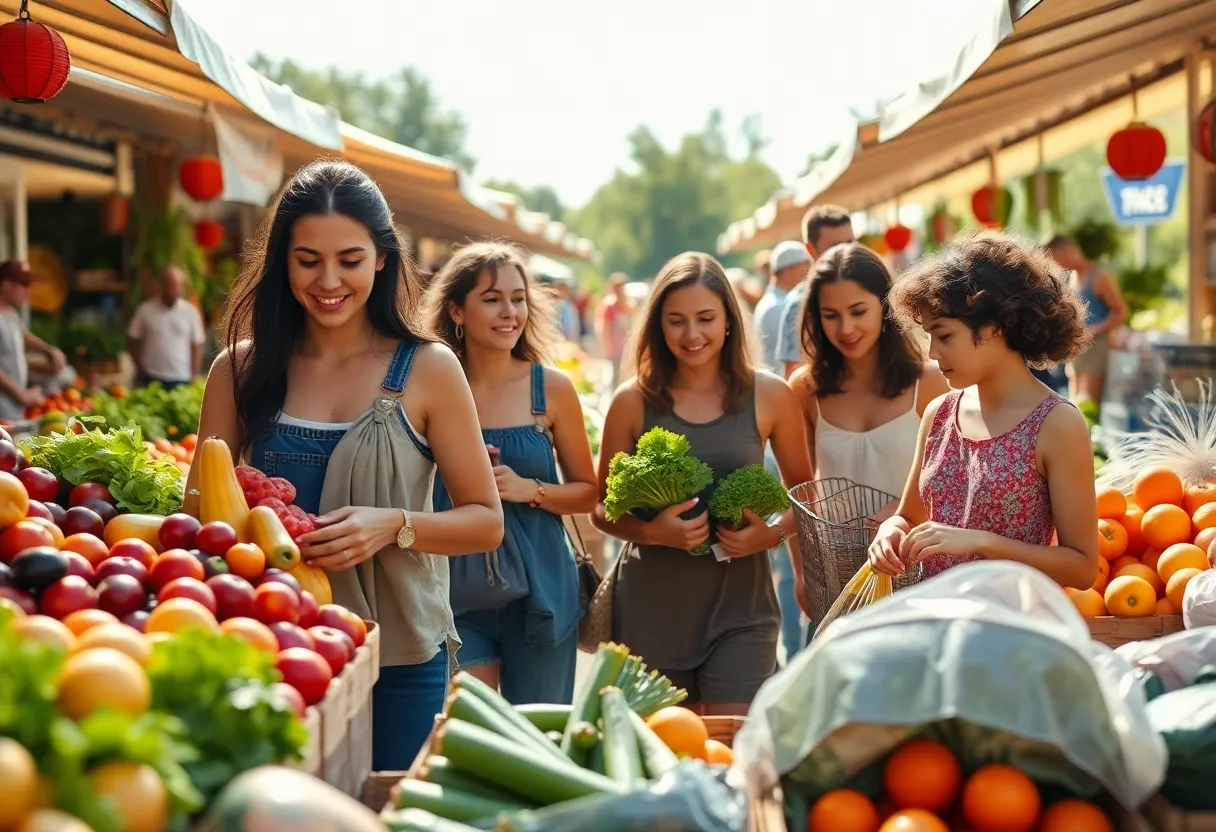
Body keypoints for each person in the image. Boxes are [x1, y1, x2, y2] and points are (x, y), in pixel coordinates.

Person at [184, 160, 503, 769]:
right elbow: (200, 518)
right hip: (274, 652)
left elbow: (485, 521)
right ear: (282, 260)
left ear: (382, 258)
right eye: (308, 260)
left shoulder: (429, 369)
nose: (328, 280)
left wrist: (392, 525)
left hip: (401, 659)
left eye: (349, 260)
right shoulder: (238, 370)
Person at [592, 252, 813, 714]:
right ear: (658, 325)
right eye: (676, 321)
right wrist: (653, 533)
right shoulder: (631, 401)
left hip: (743, 612)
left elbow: (806, 494)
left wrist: (768, 536)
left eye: (705, 319)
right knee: (667, 761)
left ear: (729, 320)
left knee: (731, 753)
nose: (692, 335)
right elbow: (601, 508)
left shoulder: (770, 393)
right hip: (651, 613)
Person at [867, 231, 1099, 590]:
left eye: (943, 336)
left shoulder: (1057, 424)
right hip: (937, 626)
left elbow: (1082, 567)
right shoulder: (939, 413)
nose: (931, 353)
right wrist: (890, 530)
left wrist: (981, 542)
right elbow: (909, 518)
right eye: (929, 336)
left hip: (1010, 631)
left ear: (994, 328)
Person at [423, 242, 596, 705]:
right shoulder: (428, 389)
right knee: (473, 733)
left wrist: (528, 490)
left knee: (537, 740)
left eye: (518, 298)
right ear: (456, 310)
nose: (509, 312)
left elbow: (588, 493)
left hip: (542, 596)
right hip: (454, 595)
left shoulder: (551, 390)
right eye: (492, 298)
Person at [774, 206, 856, 378]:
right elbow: (795, 375)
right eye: (835, 246)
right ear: (810, 249)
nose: (847, 252)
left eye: (850, 243)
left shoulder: (867, 287)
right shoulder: (800, 303)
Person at [1046, 234, 1128, 403]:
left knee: (1088, 405)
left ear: (1068, 252)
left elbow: (1121, 312)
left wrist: (1094, 330)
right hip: (1077, 349)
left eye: (1055, 258)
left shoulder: (1099, 276)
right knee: (1074, 403)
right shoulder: (1073, 277)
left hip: (1096, 347)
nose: (1055, 264)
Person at [0, 261, 65, 419]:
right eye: (24, 285)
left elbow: (21, 335)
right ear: (7, 285)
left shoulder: (10, 313)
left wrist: (48, 350)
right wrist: (20, 394)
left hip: (14, 409)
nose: (28, 292)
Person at [126, 265, 207, 389]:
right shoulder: (145, 310)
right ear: (161, 285)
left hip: (181, 377)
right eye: (169, 284)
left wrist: (194, 375)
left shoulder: (190, 312)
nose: (172, 289)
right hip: (152, 376)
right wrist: (140, 366)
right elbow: (132, 337)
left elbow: (197, 344)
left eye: (176, 285)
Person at [754, 241, 811, 372]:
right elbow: (795, 358)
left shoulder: (773, 302)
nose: (809, 272)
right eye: (805, 267)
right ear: (787, 271)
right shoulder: (778, 307)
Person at [595, 273, 633, 386]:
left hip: (627, 347)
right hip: (615, 348)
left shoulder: (628, 303)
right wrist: (607, 347)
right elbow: (605, 328)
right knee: (616, 377)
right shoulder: (608, 306)